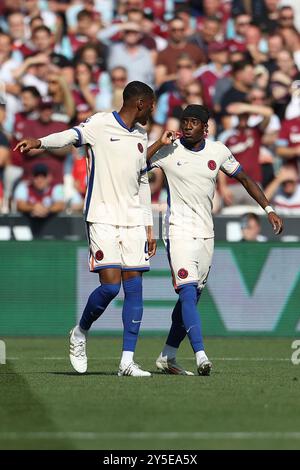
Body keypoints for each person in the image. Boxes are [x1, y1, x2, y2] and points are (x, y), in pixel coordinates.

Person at [14, 80, 156, 377]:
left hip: (133, 219)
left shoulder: (142, 135)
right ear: (140, 103)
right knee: (109, 287)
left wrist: (148, 225)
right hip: (102, 215)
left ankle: (127, 361)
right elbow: (70, 135)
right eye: (151, 104)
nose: (153, 110)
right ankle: (80, 332)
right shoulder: (100, 123)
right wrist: (40, 142)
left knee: (135, 288)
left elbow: (142, 181)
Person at [146, 104, 283, 376]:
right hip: (177, 229)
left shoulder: (218, 151)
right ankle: (201, 355)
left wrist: (268, 209)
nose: (186, 126)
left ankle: (167, 356)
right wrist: (156, 143)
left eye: (193, 122)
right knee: (186, 290)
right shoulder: (169, 149)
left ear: (205, 128)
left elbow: (244, 178)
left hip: (206, 232)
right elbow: (137, 164)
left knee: (191, 297)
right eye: (184, 121)